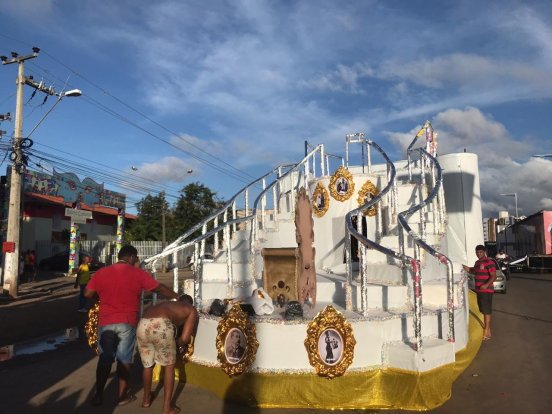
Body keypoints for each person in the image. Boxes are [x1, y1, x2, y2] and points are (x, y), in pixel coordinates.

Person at [84, 244, 179, 407]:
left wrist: (101, 299)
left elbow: (87, 293)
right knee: (124, 359)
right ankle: (121, 396)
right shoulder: (137, 273)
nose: (138, 261)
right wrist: (176, 296)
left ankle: (98, 395)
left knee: (105, 359)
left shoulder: (102, 272)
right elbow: (159, 288)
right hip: (127, 321)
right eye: (137, 258)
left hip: (106, 322)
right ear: (131, 257)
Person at [136, 294, 198, 413]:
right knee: (169, 366)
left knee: (147, 365)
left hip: (142, 324)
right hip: (161, 325)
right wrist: (174, 344)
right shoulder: (191, 309)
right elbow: (185, 338)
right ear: (190, 303)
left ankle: (146, 400)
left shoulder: (167, 304)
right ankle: (167, 408)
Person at [463, 244, 496, 341]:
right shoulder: (477, 263)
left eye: (481, 252)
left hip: (486, 290)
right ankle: (487, 328)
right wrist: (465, 268)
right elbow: (473, 271)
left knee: (486, 310)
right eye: (477, 252)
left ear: (484, 252)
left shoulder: (489, 262)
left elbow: (493, 276)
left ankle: (487, 330)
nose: (479, 254)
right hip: (479, 290)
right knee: (482, 309)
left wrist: (486, 285)